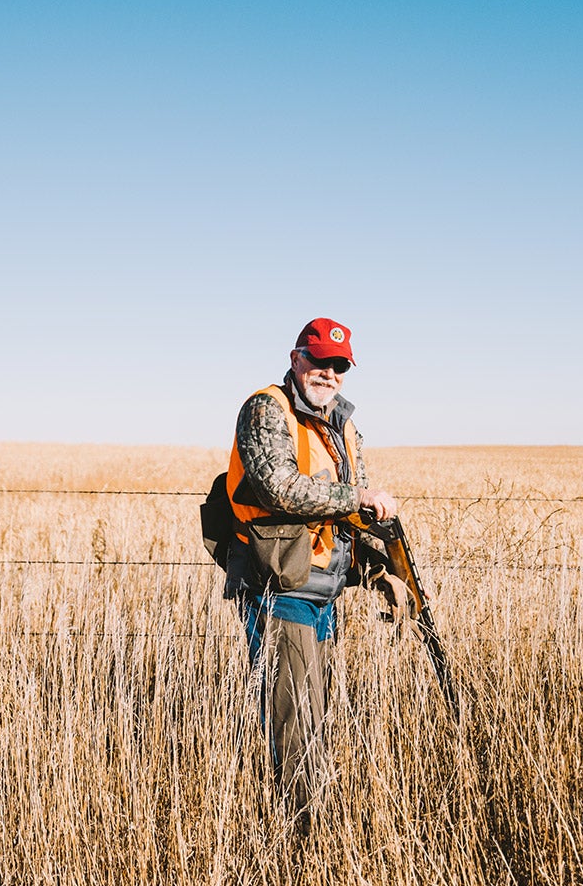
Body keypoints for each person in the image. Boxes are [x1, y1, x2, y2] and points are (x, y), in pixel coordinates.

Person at [222, 317, 407, 818]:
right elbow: (278, 487)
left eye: (339, 366)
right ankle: (302, 834)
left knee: (316, 712)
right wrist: (359, 496)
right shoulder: (266, 409)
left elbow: (351, 511)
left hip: (326, 589)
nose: (329, 373)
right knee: (294, 718)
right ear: (295, 358)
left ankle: (315, 819)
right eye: (319, 361)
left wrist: (381, 570)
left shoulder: (342, 424)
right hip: (281, 584)